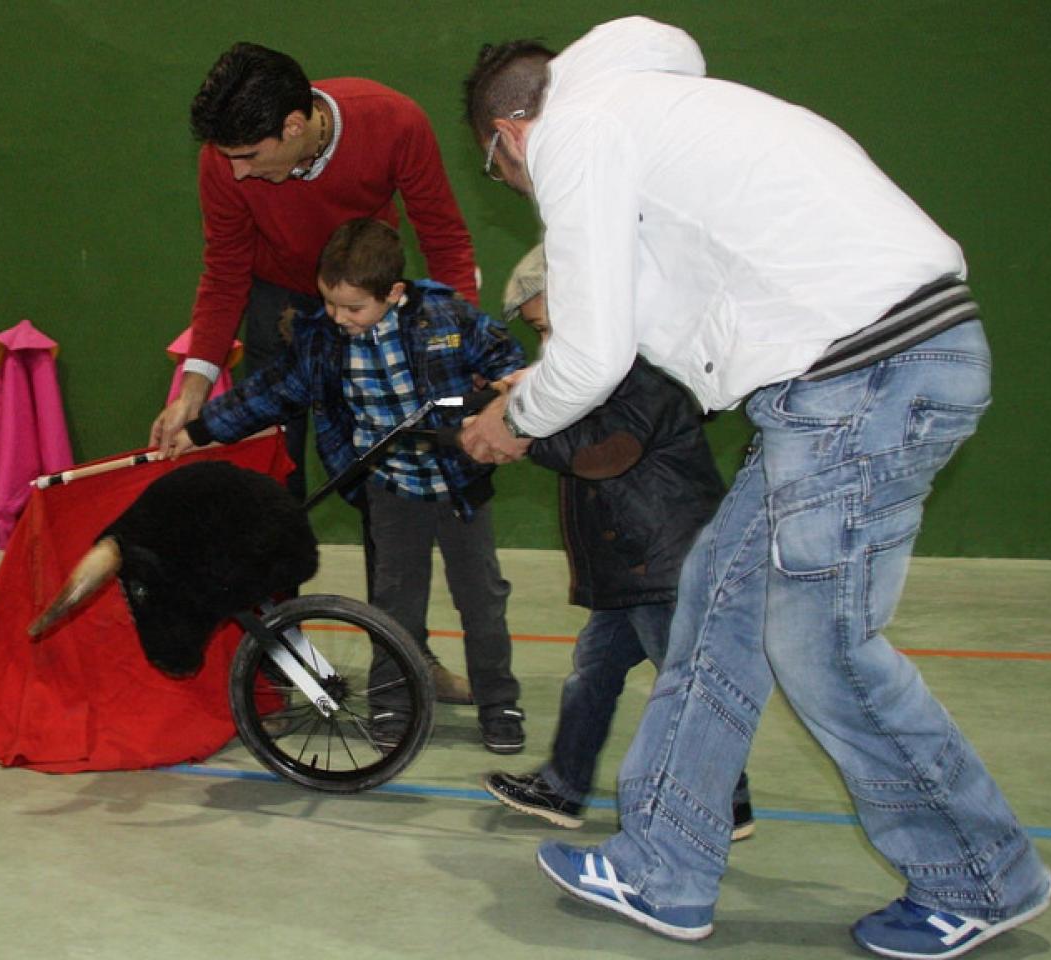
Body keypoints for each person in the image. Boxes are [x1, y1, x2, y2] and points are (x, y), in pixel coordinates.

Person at [458, 17, 1051, 957]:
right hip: (855, 378)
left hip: (863, 377)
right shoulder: (658, 115)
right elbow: (634, 334)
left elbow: (599, 350)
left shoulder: (579, 128)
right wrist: (536, 391)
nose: (521, 191)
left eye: (501, 174)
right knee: (717, 611)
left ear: (511, 135)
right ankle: (665, 865)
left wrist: (515, 422)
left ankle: (978, 875)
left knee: (826, 652)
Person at [153, 41, 484, 703]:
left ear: (296, 127)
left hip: (366, 314)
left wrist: (459, 353)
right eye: (229, 160)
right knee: (274, 493)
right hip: (277, 313)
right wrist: (193, 386)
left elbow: (445, 241)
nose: (238, 175)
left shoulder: (393, 122)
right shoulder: (223, 162)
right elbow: (224, 273)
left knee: (389, 501)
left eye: (250, 157)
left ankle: (403, 661)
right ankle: (280, 669)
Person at [170, 218, 527, 754]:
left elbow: (506, 360)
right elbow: (268, 392)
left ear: (395, 293)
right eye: (331, 304)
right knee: (392, 605)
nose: (339, 318)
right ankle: (391, 703)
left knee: (482, 601)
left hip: (459, 486)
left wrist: (504, 387)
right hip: (390, 488)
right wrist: (199, 430)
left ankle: (499, 704)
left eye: (353, 308)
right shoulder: (322, 341)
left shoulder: (446, 317)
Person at [481, 246, 753, 839]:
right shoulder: (603, 369)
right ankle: (564, 786)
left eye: (550, 325)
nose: (548, 343)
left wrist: (522, 430)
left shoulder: (644, 367)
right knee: (594, 673)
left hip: (663, 562)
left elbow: (605, 455)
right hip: (629, 563)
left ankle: (725, 802)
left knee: (683, 680)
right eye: (539, 333)